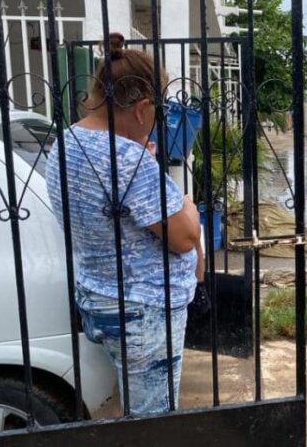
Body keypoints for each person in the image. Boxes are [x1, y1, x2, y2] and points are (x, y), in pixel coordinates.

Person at [45, 33, 203, 416]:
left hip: (98, 295)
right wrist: (189, 206)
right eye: (159, 111)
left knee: (132, 407)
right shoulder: (127, 159)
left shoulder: (67, 142)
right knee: (152, 422)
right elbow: (184, 236)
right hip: (142, 312)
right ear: (142, 107)